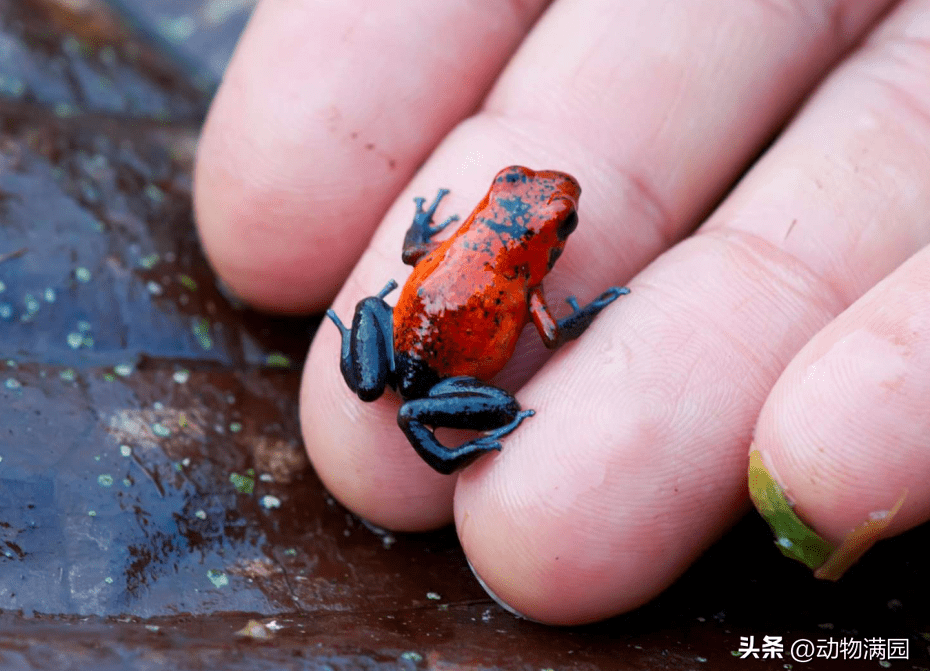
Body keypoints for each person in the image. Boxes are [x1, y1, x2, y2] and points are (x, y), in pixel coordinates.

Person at [192, 0, 930, 625]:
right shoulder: (512, 277)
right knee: (419, 406)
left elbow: (419, 250)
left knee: (384, 366)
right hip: (431, 371)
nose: (546, 203)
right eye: (518, 189)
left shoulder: (466, 241)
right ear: (501, 206)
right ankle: (464, 440)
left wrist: (424, 236)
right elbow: (550, 328)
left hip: (406, 347)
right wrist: (590, 312)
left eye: (557, 225)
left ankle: (454, 431)